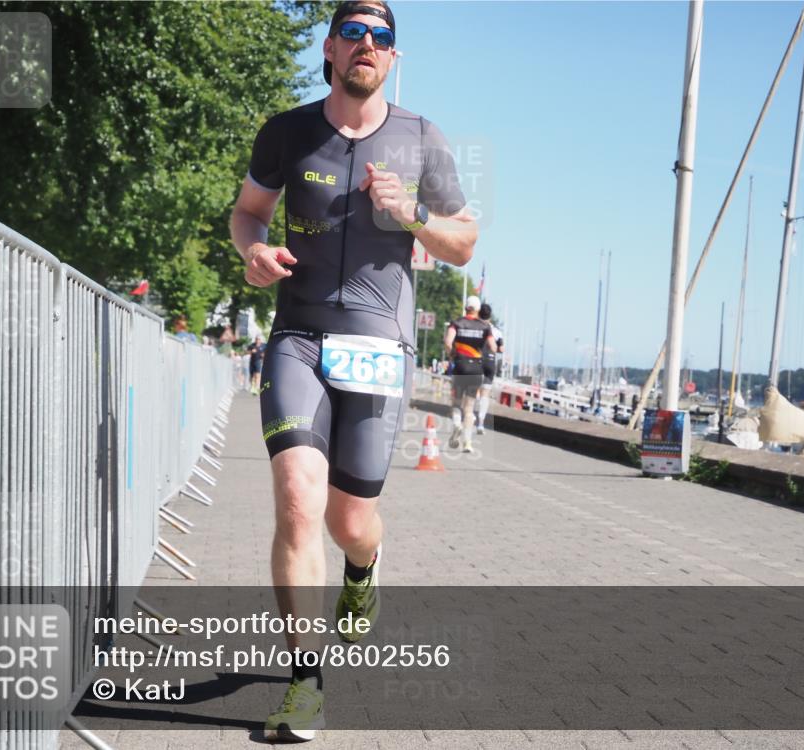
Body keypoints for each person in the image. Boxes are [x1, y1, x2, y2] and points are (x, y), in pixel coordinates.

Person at [229, 1, 477, 740]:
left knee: (350, 523)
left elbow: (464, 243)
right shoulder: (286, 132)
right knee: (297, 502)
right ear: (332, 50)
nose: (368, 44)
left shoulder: (423, 138)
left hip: (377, 349)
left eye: (382, 37)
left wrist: (412, 216)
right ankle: (305, 685)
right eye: (354, 32)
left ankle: (363, 569)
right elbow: (248, 212)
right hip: (298, 338)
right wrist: (253, 250)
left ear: (392, 59)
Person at [443, 295, 495, 453]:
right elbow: (493, 347)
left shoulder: (456, 323)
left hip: (460, 366)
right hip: (476, 369)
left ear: (466, 308)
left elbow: (447, 342)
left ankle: (456, 423)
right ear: (478, 310)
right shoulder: (485, 327)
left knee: (456, 402)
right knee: (470, 408)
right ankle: (467, 443)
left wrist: (452, 354)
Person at [474, 302, 504, 435]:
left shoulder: (475, 327)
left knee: (473, 390)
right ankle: (481, 423)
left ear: (478, 314)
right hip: (490, 363)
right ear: (490, 316)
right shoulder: (497, 331)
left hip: (476, 360)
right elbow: (501, 349)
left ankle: (470, 415)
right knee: (485, 394)